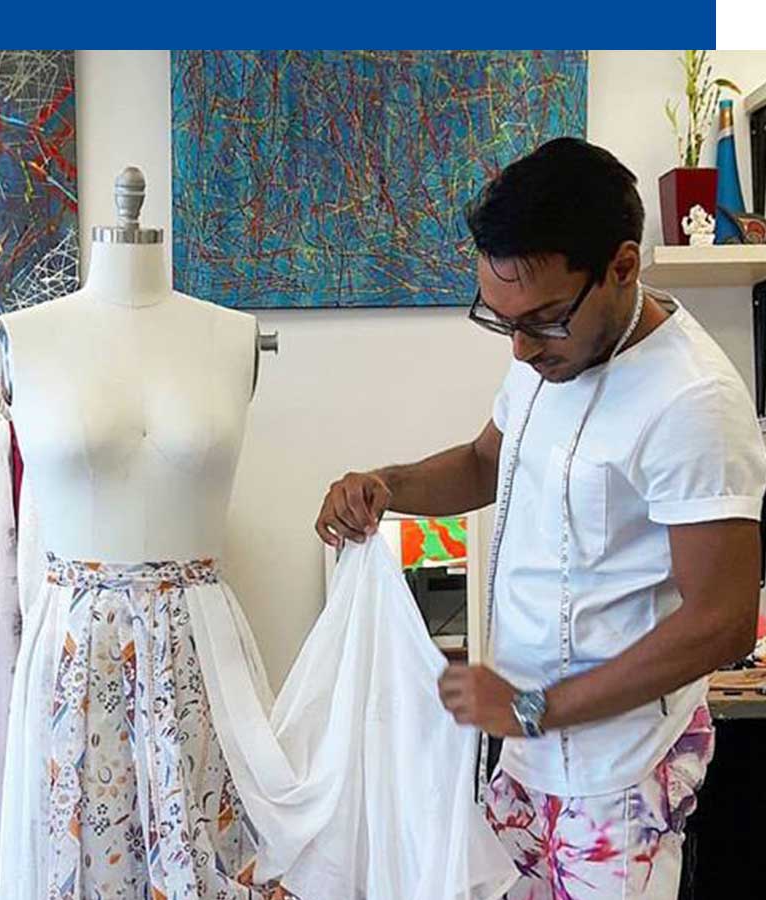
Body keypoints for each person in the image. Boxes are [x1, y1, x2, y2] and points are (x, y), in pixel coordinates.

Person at [315, 137, 766, 900]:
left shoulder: (692, 403)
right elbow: (489, 462)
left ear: (624, 266)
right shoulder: (551, 350)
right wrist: (384, 484)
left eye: (544, 320)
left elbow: (721, 622)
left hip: (615, 780)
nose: (521, 348)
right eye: (502, 320)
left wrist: (532, 708)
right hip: (526, 753)